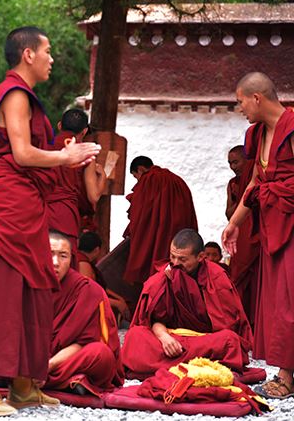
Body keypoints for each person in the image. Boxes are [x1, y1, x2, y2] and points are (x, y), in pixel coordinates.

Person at [0, 26, 100, 415]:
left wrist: (63, 155)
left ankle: (24, 384)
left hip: (26, 205)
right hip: (8, 205)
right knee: (3, 292)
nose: (52, 58)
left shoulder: (25, 97)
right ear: (28, 55)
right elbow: (22, 154)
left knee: (33, 292)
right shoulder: (15, 94)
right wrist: (65, 158)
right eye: (48, 51)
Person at [223, 72, 294, 399]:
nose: (239, 108)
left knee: (290, 300)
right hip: (275, 225)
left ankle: (285, 376)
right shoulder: (257, 134)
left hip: (291, 225)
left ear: (257, 98)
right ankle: (285, 371)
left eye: (240, 101)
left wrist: (275, 193)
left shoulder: (292, 129)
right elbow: (255, 182)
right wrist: (235, 222)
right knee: (279, 301)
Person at [122, 229, 252, 380]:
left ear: (200, 257)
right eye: (172, 257)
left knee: (230, 340)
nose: (175, 263)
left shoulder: (216, 278)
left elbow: (227, 325)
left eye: (182, 260)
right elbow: (154, 319)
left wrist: (200, 342)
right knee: (135, 336)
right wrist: (164, 337)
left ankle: (166, 367)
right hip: (172, 338)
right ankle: (199, 367)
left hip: (203, 341)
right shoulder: (164, 277)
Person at [45, 231, 123, 395]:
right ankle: (69, 381)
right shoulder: (27, 284)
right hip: (34, 358)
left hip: (66, 360)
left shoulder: (86, 289)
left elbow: (83, 343)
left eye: (63, 256)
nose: (55, 262)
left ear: (72, 260)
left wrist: (49, 365)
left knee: (101, 355)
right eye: (50, 254)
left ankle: (37, 380)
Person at [46, 108, 107, 265]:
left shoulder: (43, 147)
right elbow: (93, 196)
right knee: (64, 262)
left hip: (40, 213)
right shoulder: (85, 153)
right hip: (66, 215)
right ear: (84, 131)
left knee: (41, 261)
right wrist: (103, 177)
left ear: (60, 126)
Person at [123, 156, 198, 284]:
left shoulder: (148, 180)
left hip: (158, 236)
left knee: (156, 276)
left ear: (140, 170)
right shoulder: (178, 181)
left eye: (136, 177)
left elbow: (140, 214)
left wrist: (131, 232)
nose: (137, 181)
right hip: (181, 237)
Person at [224, 145, 259, 326]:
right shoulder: (233, 184)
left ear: (247, 160)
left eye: (236, 162)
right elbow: (229, 214)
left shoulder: (258, 177)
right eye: (230, 163)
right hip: (241, 234)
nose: (233, 167)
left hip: (256, 233)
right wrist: (238, 199)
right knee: (238, 277)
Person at [77, 231, 131, 326]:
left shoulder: (84, 261)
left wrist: (119, 299)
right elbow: (88, 295)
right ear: (97, 250)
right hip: (85, 314)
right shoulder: (83, 264)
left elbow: (100, 287)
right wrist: (116, 303)